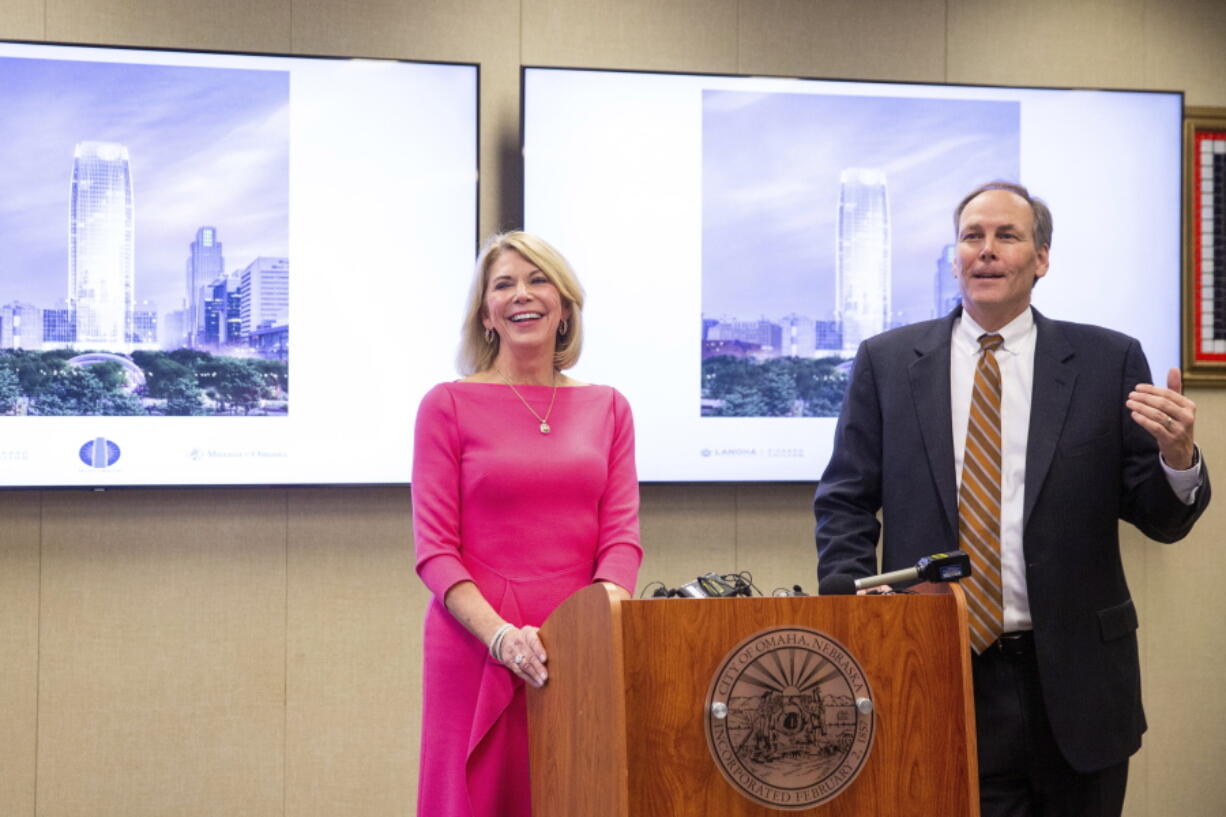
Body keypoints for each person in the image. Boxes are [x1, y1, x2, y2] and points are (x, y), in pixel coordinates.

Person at [813, 181, 1210, 817]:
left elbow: (1162, 520)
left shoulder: (1107, 361)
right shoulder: (888, 362)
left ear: (1041, 258)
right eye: (973, 237)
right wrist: (864, 612)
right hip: (937, 669)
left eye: (1007, 236)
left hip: (1079, 683)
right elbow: (844, 500)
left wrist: (1178, 458)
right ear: (955, 259)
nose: (987, 251)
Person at [412, 232, 642, 817]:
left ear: (563, 306)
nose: (523, 295)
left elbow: (621, 540)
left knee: (577, 794)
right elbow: (436, 550)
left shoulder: (610, 407)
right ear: (486, 313)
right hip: (474, 647)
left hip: (576, 649)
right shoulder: (446, 405)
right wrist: (501, 637)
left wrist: (589, 632)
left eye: (538, 280)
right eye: (504, 284)